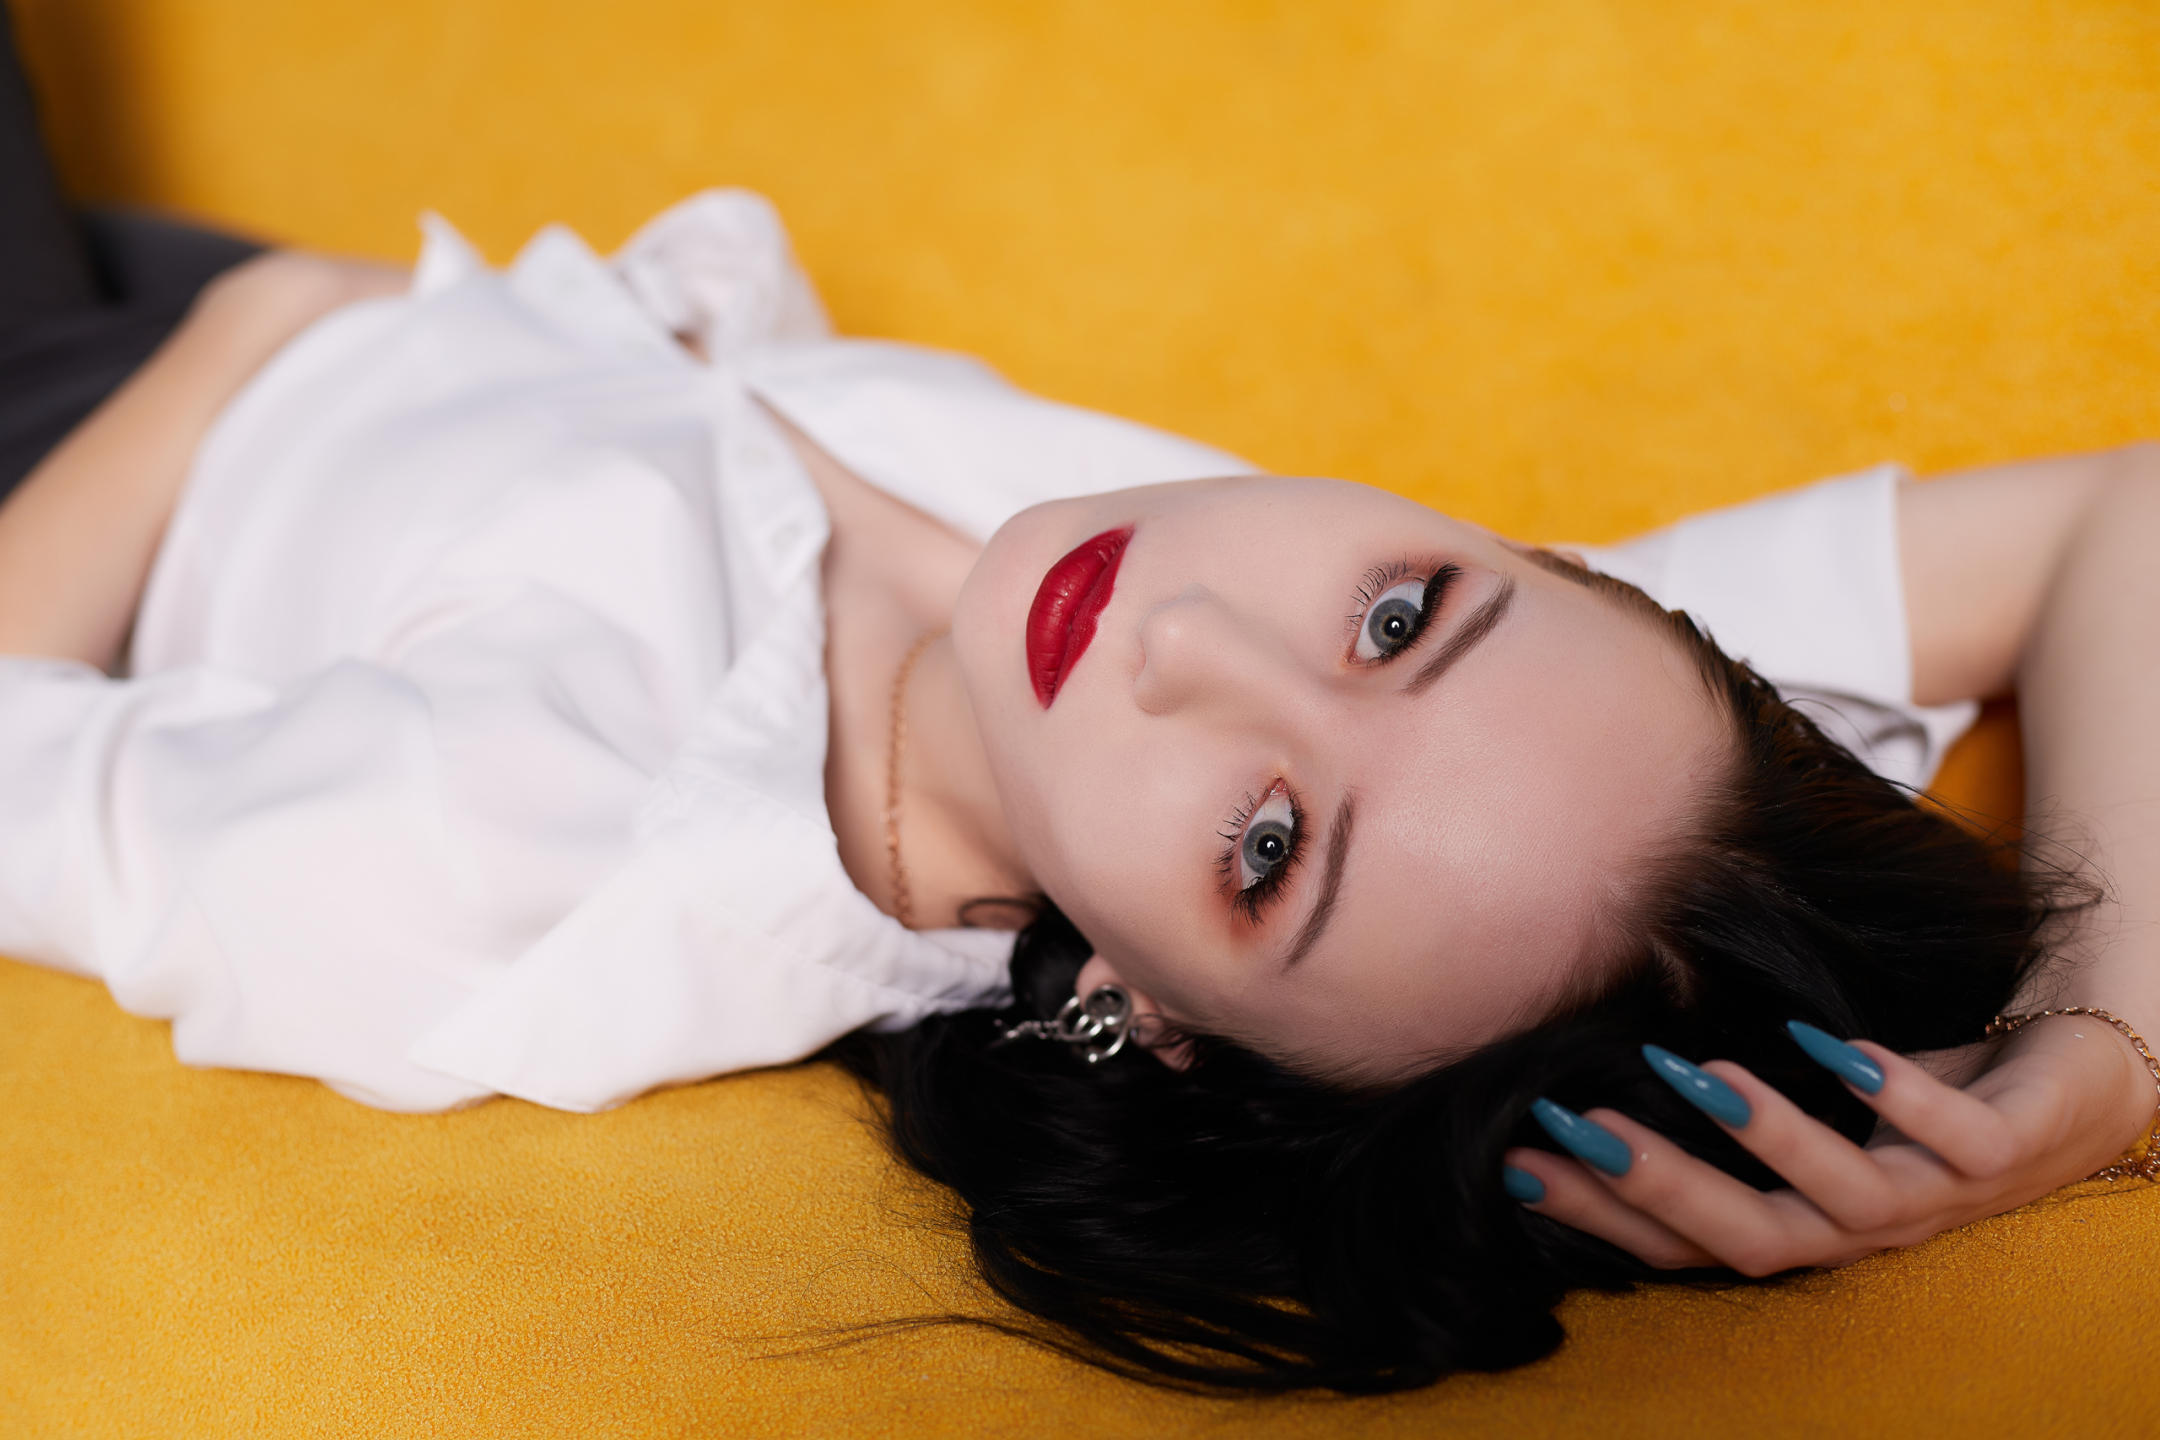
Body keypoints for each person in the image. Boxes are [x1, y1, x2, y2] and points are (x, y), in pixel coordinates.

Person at [2, 15, 2155, 1394]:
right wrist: (2102, 1054)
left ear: (1155, 1017)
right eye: (1405, 611)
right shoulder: (1540, 777)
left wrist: (263, 328)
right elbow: (2120, 515)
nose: (1188, 642)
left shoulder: (540, 859)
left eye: (1267, 849)